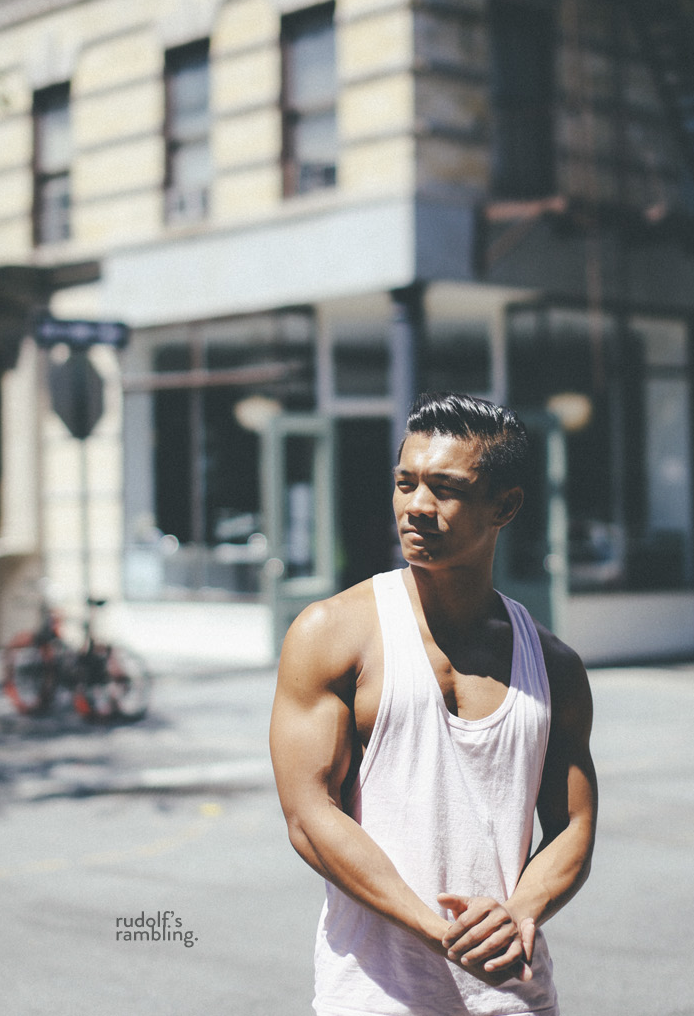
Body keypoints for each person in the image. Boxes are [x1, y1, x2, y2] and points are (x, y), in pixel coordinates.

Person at [270, 392, 597, 1016]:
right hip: (374, 996)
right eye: (405, 483)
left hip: (514, 994)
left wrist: (519, 914)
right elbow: (310, 816)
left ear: (505, 506)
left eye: (444, 488)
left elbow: (574, 825)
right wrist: (434, 928)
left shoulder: (554, 666)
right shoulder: (330, 634)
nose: (416, 507)